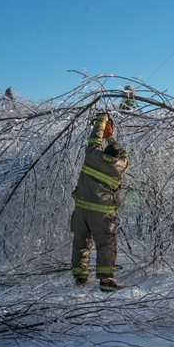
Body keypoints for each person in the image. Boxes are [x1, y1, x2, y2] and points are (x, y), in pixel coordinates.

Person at [71, 112, 129, 292]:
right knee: (105, 243)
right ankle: (105, 279)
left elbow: (94, 139)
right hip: (102, 213)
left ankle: (80, 276)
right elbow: (125, 154)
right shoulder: (120, 166)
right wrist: (111, 138)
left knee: (81, 241)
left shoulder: (92, 155)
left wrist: (101, 122)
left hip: (81, 209)